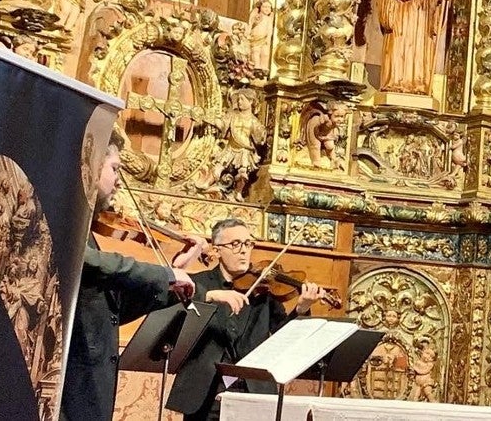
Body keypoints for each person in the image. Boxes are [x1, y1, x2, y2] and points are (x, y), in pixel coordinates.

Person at [61, 129, 196, 421]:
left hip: (88, 393)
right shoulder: (65, 222)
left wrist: (171, 286)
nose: (119, 180)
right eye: (115, 169)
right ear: (92, 167)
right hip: (65, 394)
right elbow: (89, 262)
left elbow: (110, 311)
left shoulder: (85, 231)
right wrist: (163, 274)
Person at [165, 218, 327, 421]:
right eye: (235, 244)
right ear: (216, 251)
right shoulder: (199, 284)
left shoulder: (265, 292)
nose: (244, 250)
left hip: (254, 393)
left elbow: (283, 340)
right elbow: (171, 304)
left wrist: (301, 309)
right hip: (205, 395)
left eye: (248, 244)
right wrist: (209, 295)